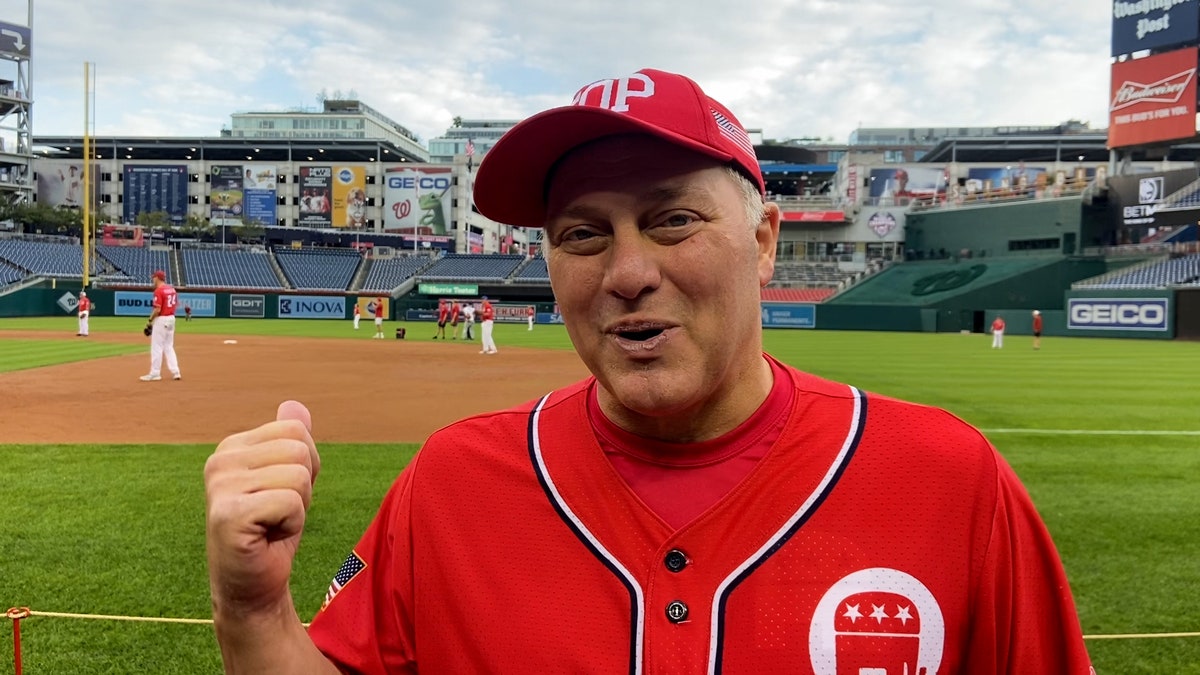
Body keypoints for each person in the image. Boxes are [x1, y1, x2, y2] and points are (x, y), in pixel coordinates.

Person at [203, 68, 1092, 673]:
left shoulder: (949, 479)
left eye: (671, 219)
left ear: (764, 241)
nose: (626, 272)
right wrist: (255, 619)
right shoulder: (452, 483)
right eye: (582, 234)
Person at [140, 270, 181, 381]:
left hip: (162, 318)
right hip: (172, 318)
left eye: (153, 277)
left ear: (157, 278)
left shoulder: (159, 290)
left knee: (157, 346)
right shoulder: (172, 289)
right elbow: (175, 304)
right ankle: (176, 371)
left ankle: (155, 373)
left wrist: (150, 320)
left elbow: (157, 309)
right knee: (169, 346)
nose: (153, 279)